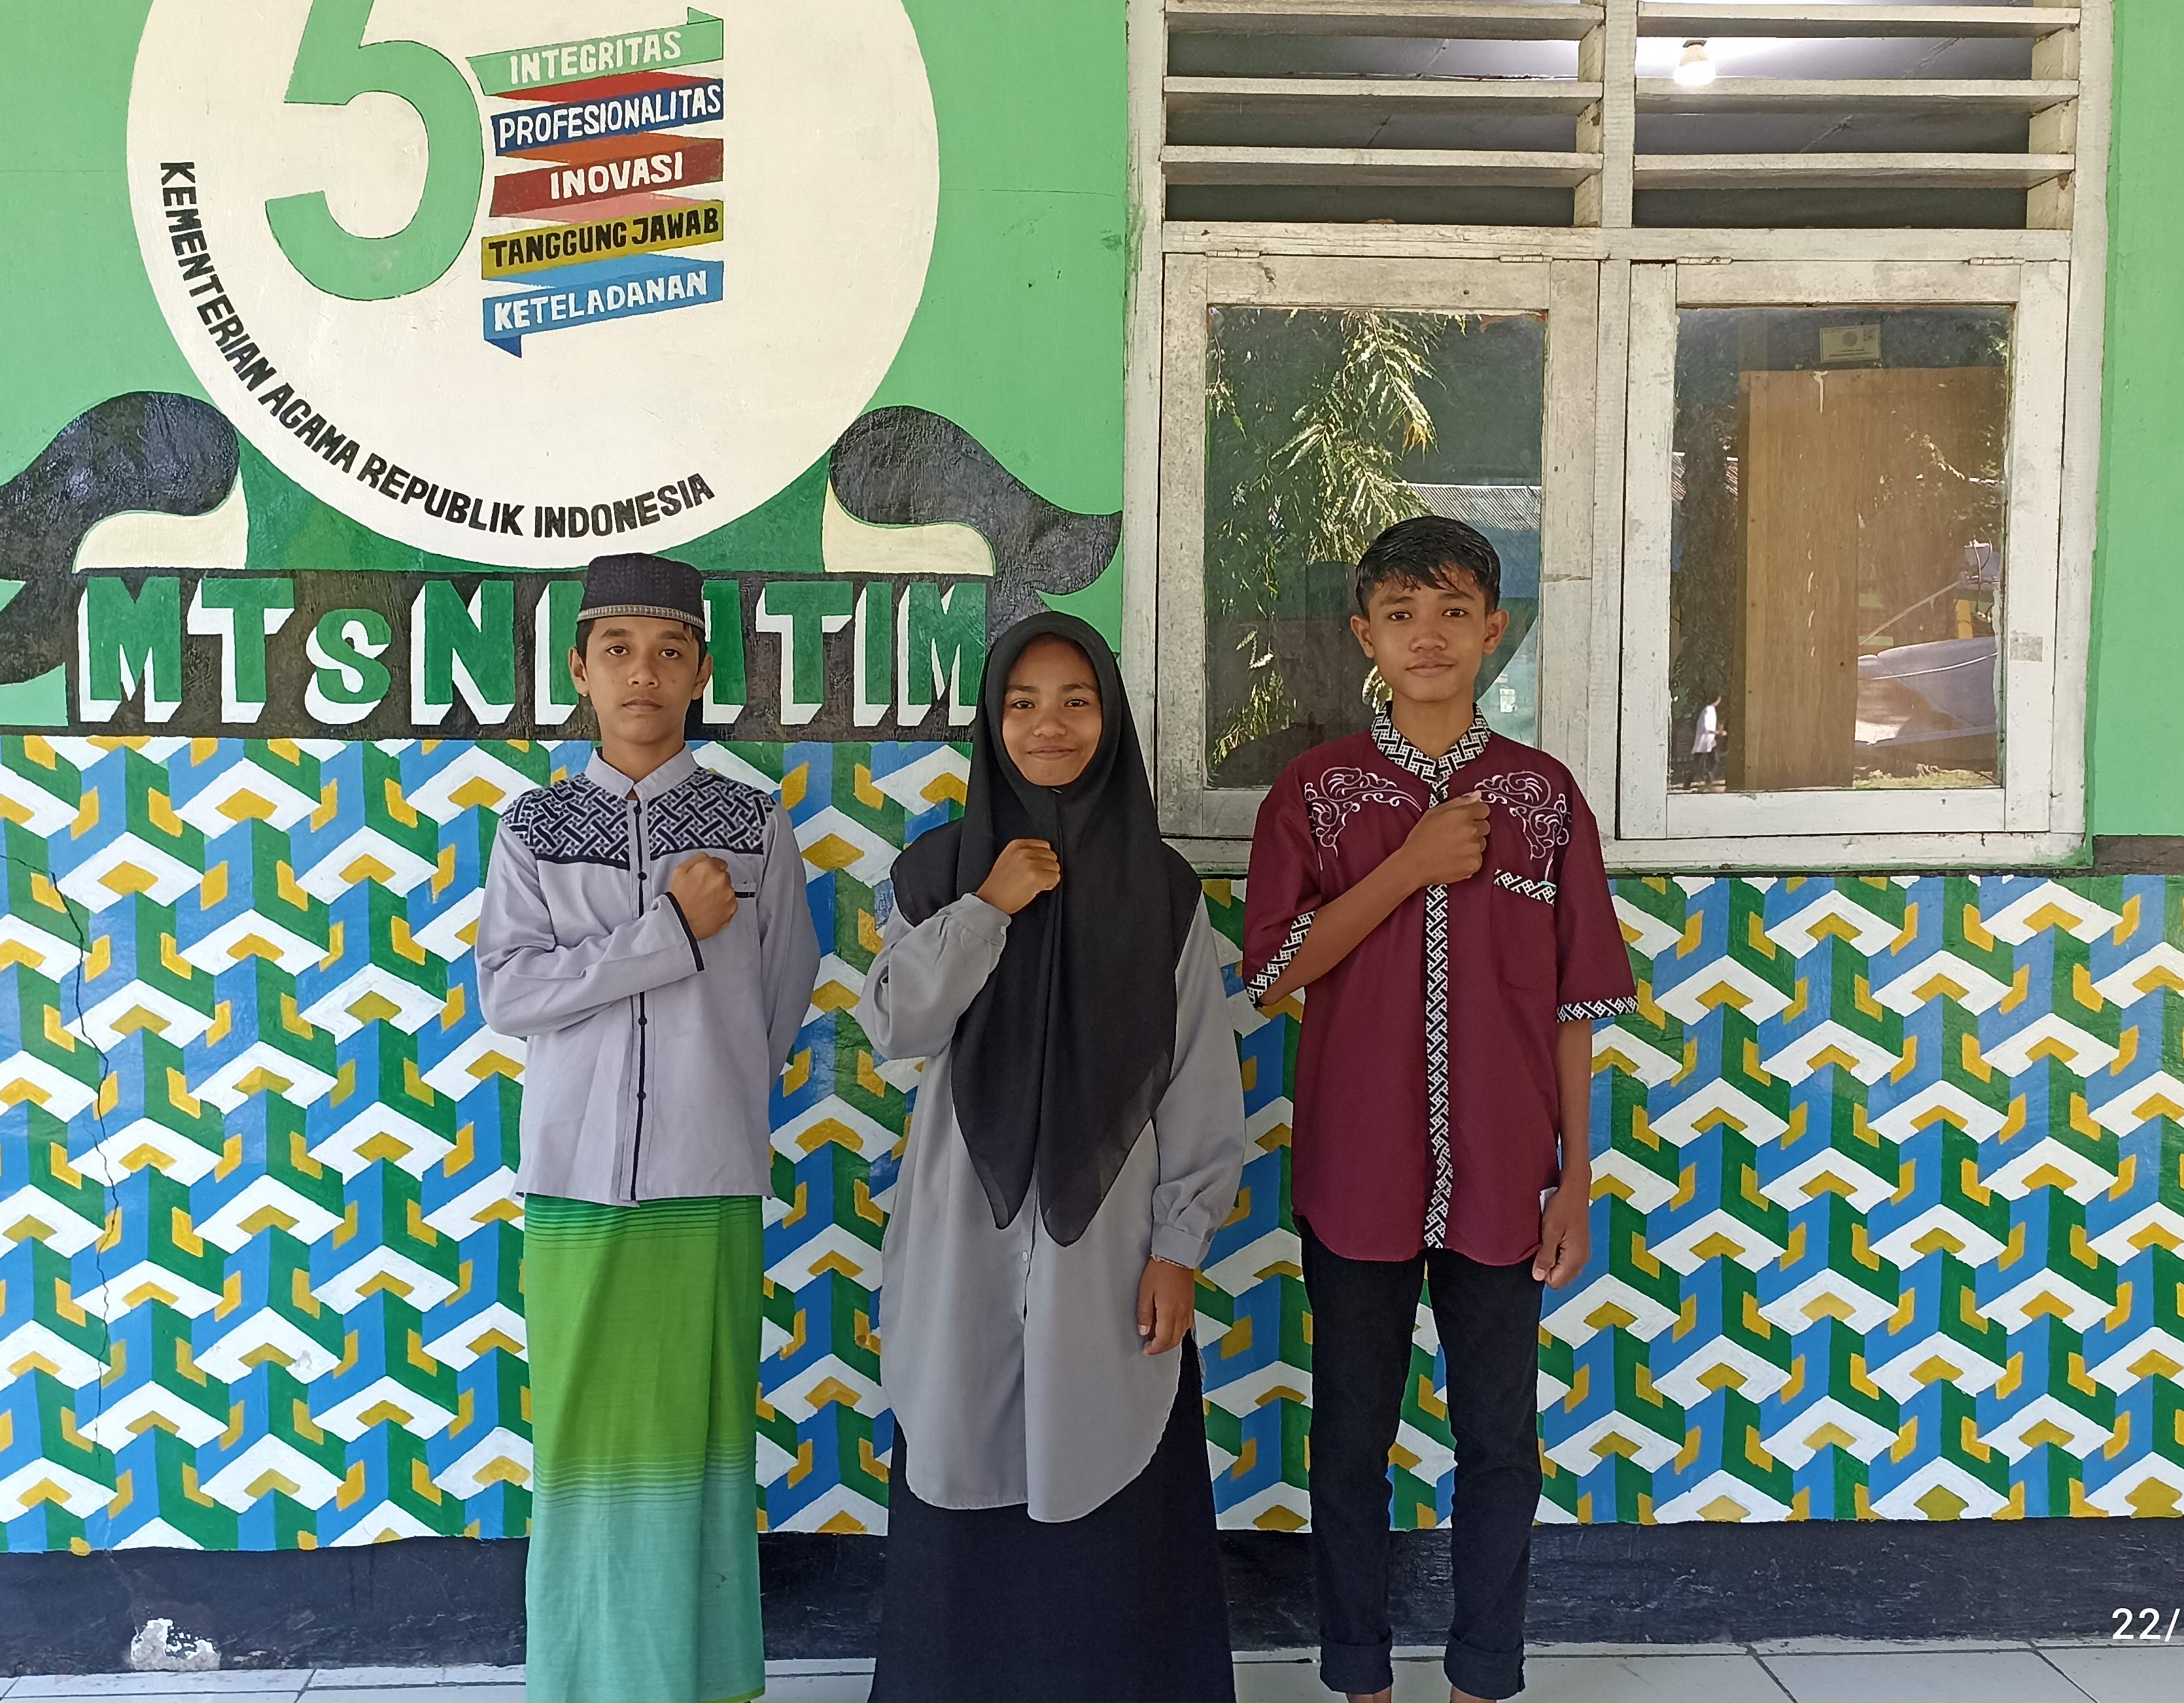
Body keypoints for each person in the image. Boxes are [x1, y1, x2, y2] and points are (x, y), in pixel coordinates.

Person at [1241, 516, 1638, 1703]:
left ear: (1494, 631)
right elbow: (1277, 973)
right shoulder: (1315, 794)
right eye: (1402, 615)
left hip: (1507, 1176)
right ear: (1364, 634)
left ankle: (1482, 1677)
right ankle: (1359, 1677)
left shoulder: (1543, 797)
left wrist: (1576, 1177)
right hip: (1355, 1173)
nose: (1429, 636)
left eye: (1454, 612)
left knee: (1501, 1445)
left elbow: (1574, 1004)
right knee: (1349, 1442)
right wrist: (1408, 866)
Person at [859, 611, 1245, 1703]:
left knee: (1109, 1460)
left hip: (1111, 1244)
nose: (1049, 725)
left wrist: (1178, 1248)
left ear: (1110, 719)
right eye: (1022, 703)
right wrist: (988, 908)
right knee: (961, 1449)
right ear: (993, 723)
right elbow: (896, 1026)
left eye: (1077, 701)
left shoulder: (1164, 890)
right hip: (964, 1235)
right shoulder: (935, 871)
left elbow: (1199, 1081)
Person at [474, 552, 818, 1703]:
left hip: (706, 1181)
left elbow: (781, 992)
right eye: (617, 649)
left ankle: (700, 1680)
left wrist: (708, 1091)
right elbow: (510, 992)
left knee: (705, 1445)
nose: (643, 673)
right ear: (579, 668)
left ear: (703, 673)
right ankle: (587, 1682)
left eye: (670, 651)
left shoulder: (753, 824)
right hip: (573, 1182)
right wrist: (667, 932)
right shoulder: (533, 825)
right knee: (580, 1447)